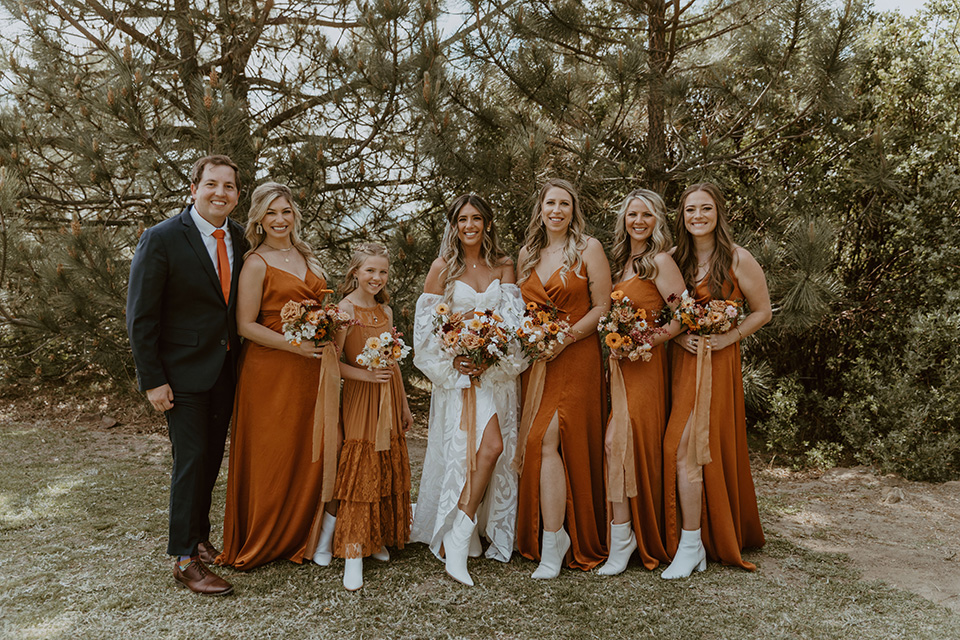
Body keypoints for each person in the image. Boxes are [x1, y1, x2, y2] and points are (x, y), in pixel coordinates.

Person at [126, 155, 247, 595]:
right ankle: (182, 559)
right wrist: (152, 380)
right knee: (190, 461)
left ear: (237, 194)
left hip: (226, 371)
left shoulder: (239, 238)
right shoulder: (160, 239)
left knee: (209, 461)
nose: (220, 193)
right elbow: (141, 317)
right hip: (179, 376)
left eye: (229, 186)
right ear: (193, 188)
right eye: (211, 184)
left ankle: (198, 538)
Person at [215, 182, 336, 570]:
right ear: (258, 219)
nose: (279, 219)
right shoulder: (255, 262)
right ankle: (266, 537)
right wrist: (294, 346)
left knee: (309, 450)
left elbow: (324, 305)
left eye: (285, 211)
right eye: (271, 213)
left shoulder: (307, 256)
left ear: (294, 216)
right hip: (270, 370)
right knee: (273, 453)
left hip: (312, 368)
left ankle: (306, 534)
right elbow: (245, 325)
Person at [411, 194, 525, 587]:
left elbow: (514, 322)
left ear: (488, 223)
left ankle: (464, 532)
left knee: (491, 449)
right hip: (460, 377)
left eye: (477, 218)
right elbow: (426, 331)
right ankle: (459, 537)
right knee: (479, 449)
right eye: (462, 219)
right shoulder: (442, 267)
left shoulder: (505, 266)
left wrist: (492, 356)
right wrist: (455, 361)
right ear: (454, 225)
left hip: (495, 375)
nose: (470, 225)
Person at [661, 182, 771, 579]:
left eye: (705, 209)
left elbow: (762, 312)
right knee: (682, 446)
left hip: (718, 366)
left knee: (689, 447)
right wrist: (675, 334)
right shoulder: (674, 260)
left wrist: (726, 337)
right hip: (681, 365)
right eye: (690, 210)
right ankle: (696, 539)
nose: (697, 217)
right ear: (682, 216)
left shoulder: (738, 259)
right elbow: (662, 308)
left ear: (719, 213)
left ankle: (692, 545)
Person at [515, 178, 611, 578]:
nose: (556, 210)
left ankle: (556, 543)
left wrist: (566, 338)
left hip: (577, 356)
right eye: (550, 203)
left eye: (564, 204)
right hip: (539, 362)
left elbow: (602, 307)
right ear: (540, 209)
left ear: (574, 210)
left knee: (548, 438)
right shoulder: (526, 254)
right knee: (540, 444)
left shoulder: (589, 249)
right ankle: (556, 537)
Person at [597, 189, 685, 576]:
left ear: (657, 221)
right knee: (617, 445)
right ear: (624, 220)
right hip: (619, 368)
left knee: (620, 442)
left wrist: (645, 340)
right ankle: (623, 533)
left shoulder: (660, 261)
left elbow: (683, 316)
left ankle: (627, 537)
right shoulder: (620, 263)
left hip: (646, 366)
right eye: (632, 215)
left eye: (646, 215)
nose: (638, 222)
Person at [331, 243, 413, 591]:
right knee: (362, 464)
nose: (376, 278)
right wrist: (365, 377)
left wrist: (405, 405)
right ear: (355, 273)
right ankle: (352, 551)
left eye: (382, 271)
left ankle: (374, 538)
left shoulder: (386, 312)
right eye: (370, 271)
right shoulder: (343, 311)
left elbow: (392, 364)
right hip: (361, 396)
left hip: (389, 396)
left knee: (383, 461)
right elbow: (330, 364)